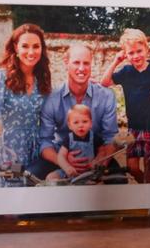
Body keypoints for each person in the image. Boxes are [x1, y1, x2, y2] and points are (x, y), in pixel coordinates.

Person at [30, 43, 119, 180]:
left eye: (86, 63)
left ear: (91, 65)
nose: (81, 68)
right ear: (66, 63)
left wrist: (99, 162)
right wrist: (63, 162)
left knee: (119, 180)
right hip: (60, 154)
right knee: (31, 176)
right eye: (76, 62)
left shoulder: (106, 96)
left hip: (96, 155)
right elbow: (45, 141)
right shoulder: (51, 98)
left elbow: (110, 138)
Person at [0, 23, 51, 179]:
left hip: (36, 156)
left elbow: (49, 118)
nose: (31, 52)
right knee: (11, 198)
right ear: (15, 47)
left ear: (42, 49)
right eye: (25, 46)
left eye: (36, 46)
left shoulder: (42, 81)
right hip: (9, 154)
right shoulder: (0, 77)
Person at [99, 28, 150, 183]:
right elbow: (104, 82)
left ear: (147, 49)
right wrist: (116, 61)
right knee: (132, 167)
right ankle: (145, 186)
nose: (136, 56)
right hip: (133, 128)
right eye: (131, 53)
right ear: (125, 54)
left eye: (139, 51)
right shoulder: (126, 71)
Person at [45, 104, 97, 182]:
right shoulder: (69, 138)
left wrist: (96, 162)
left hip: (89, 172)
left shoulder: (94, 137)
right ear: (70, 125)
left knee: (97, 181)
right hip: (70, 171)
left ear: (91, 123)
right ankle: (63, 185)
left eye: (85, 121)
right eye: (76, 122)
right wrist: (67, 167)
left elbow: (102, 152)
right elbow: (61, 156)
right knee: (50, 177)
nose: (81, 125)